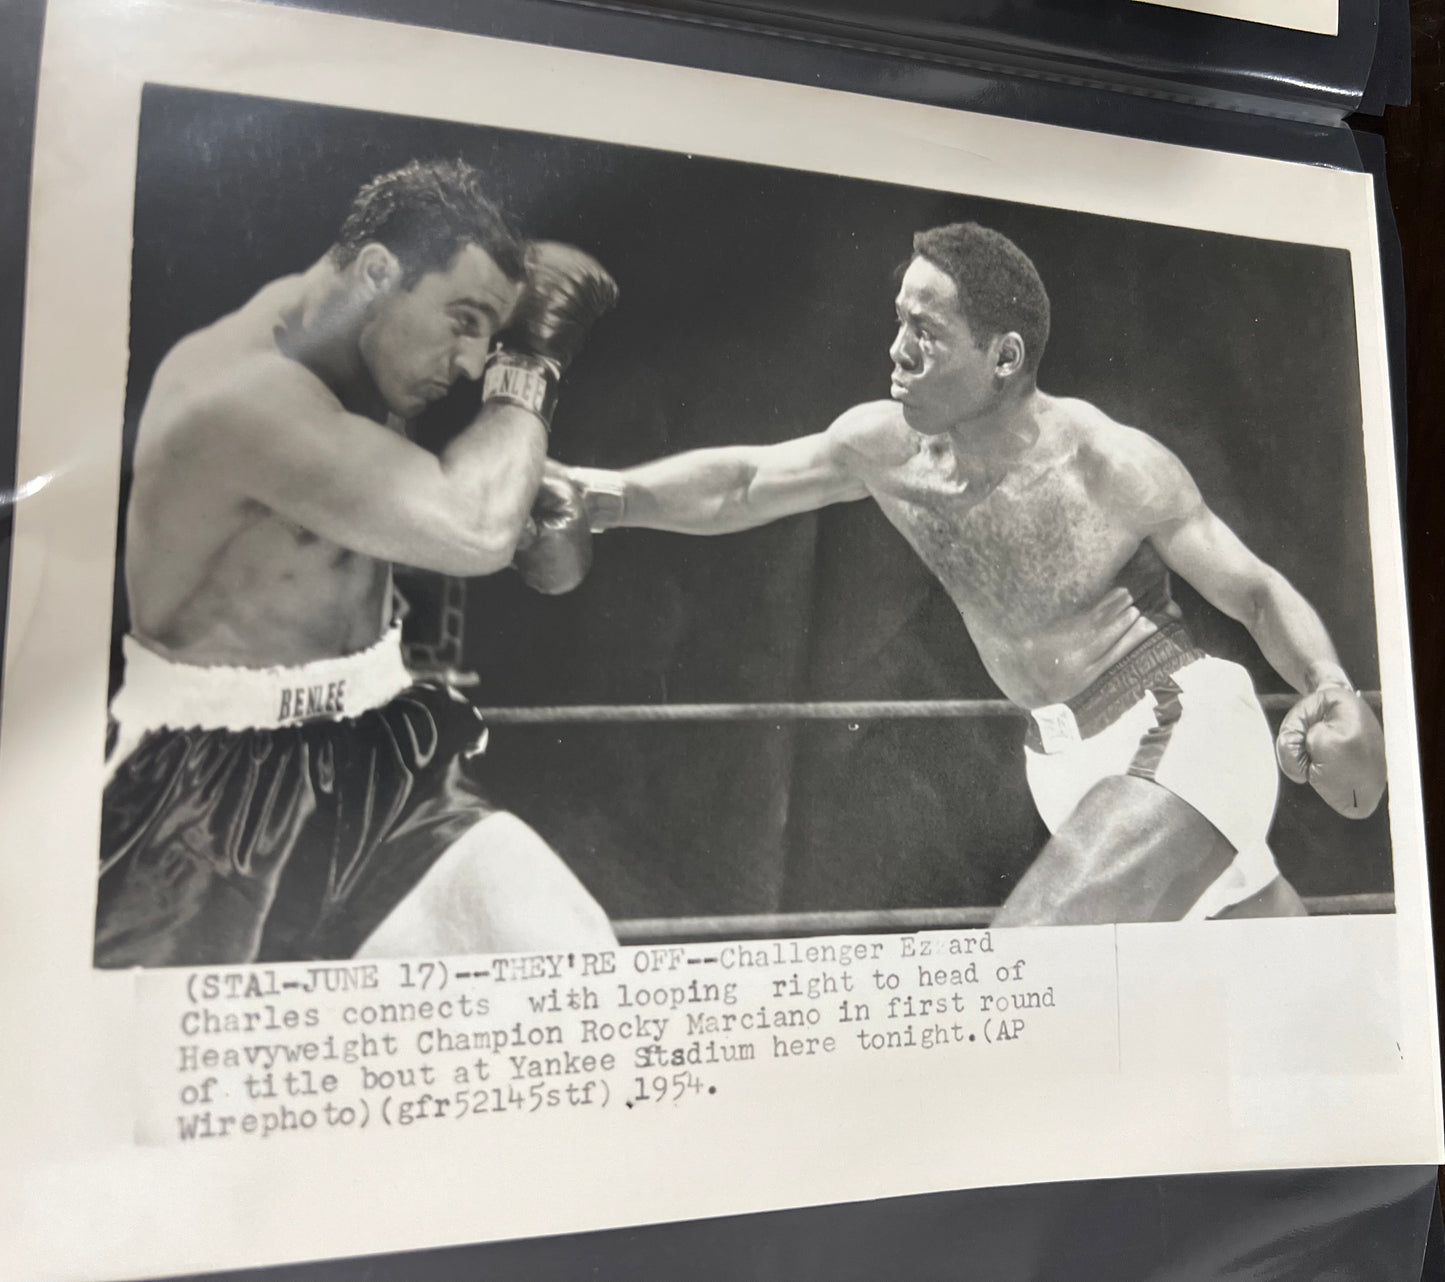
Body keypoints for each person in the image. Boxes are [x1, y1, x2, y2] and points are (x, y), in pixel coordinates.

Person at [557, 221, 1387, 925]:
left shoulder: (1106, 462)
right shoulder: (888, 450)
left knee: (1023, 964)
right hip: (1060, 764)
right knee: (1287, 986)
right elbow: (744, 482)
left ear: (1003, 356)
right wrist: (602, 498)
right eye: (898, 321)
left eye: (927, 332)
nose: (896, 350)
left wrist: (1330, 686)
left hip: (1175, 722)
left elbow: (1252, 589)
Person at [97, 159, 616, 967]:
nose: (476, 362)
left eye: (493, 335)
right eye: (466, 319)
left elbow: (552, 567)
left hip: (375, 751)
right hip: (203, 790)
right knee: (207, 1075)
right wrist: (531, 367)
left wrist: (549, 517)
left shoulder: (377, 364)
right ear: (379, 272)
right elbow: (474, 532)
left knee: (561, 952)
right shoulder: (238, 392)